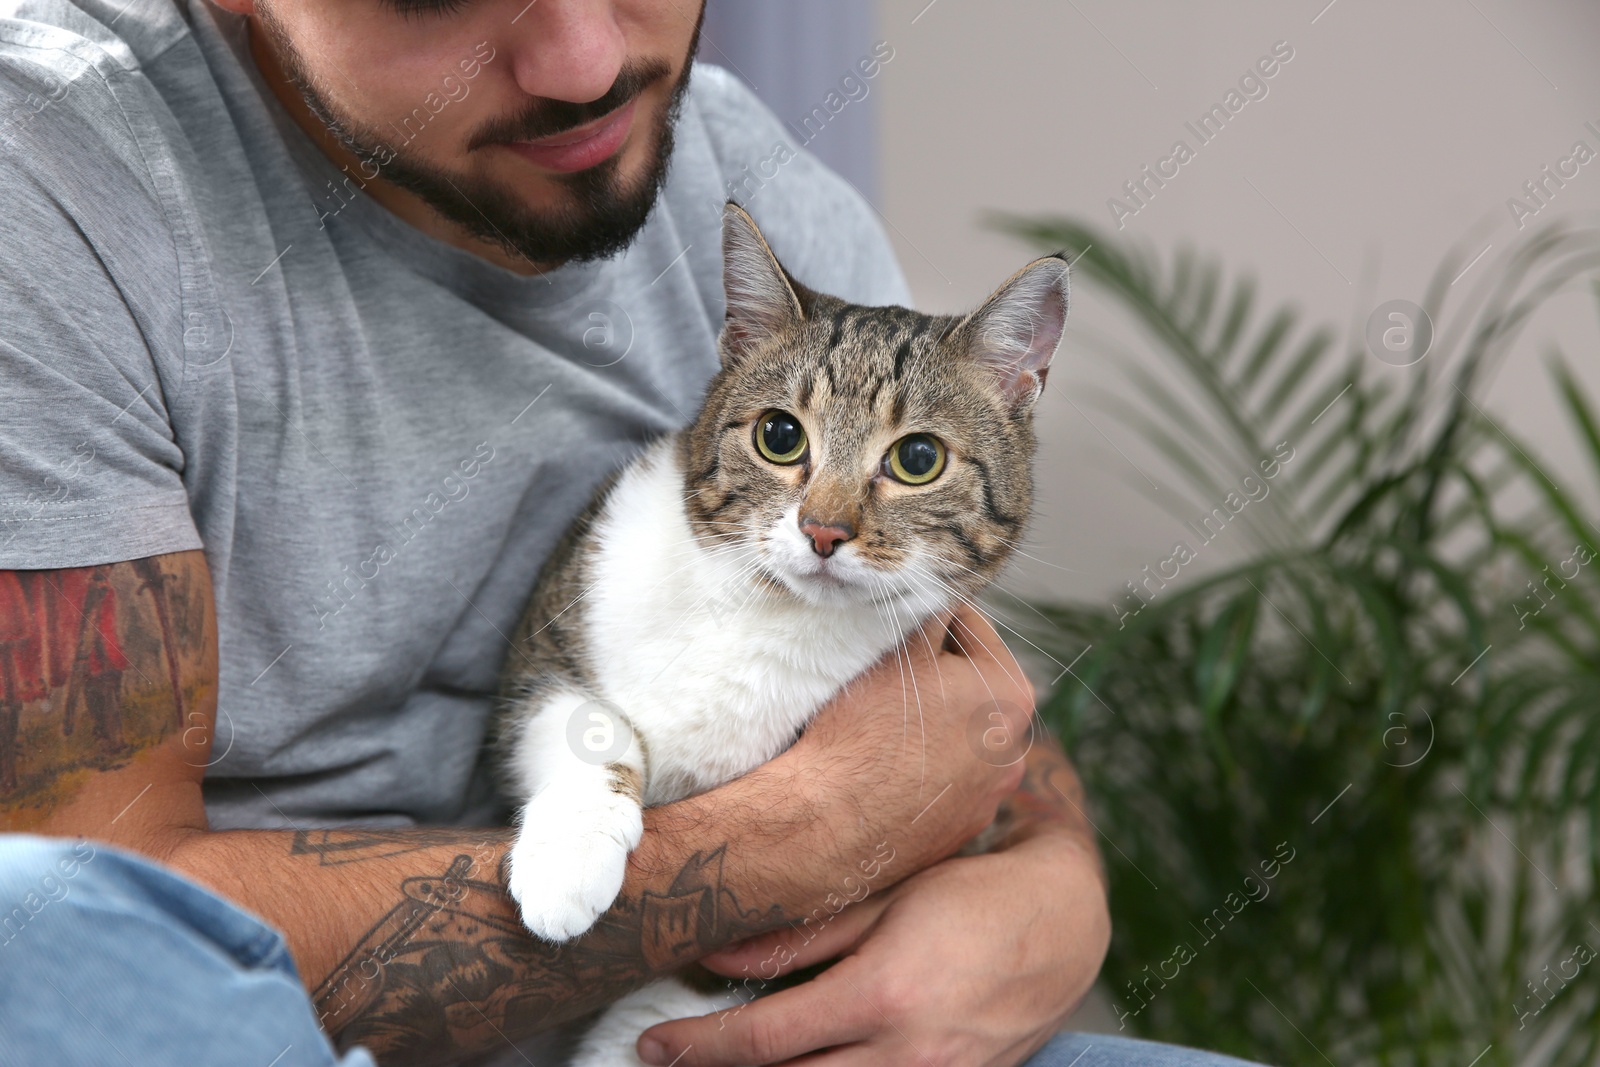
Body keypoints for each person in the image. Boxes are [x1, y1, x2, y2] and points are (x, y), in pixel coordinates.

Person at [0, 1, 1265, 1064]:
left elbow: (967, 710)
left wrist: (1055, 893)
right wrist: (780, 844)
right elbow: (80, 938)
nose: (586, 63)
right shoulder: (53, 184)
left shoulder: (750, 184)